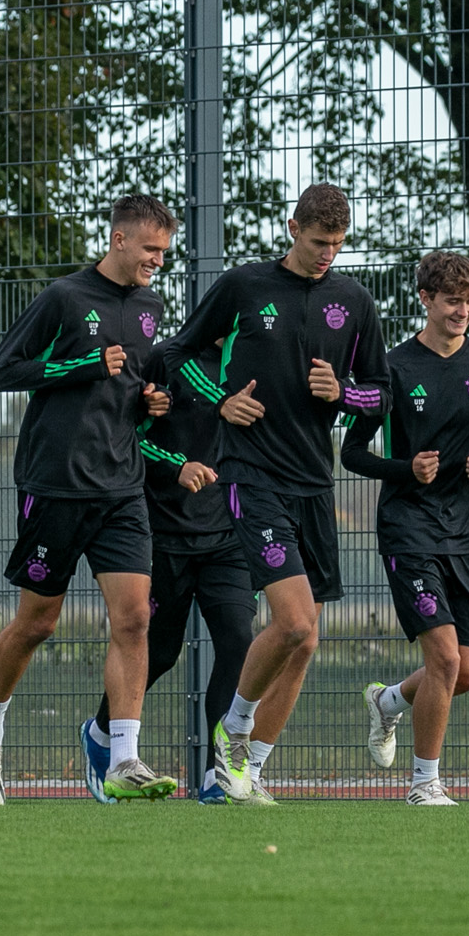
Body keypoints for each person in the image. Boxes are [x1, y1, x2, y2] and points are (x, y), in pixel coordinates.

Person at [157, 183, 390, 803]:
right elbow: (177, 352)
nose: (327, 257)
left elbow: (381, 394)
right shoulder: (243, 286)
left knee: (306, 637)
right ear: (293, 229)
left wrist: (343, 394)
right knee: (290, 620)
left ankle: (248, 770)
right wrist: (220, 400)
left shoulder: (354, 300)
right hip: (250, 475)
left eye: (338, 246)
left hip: (314, 483)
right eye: (319, 243)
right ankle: (233, 730)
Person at [0, 194, 179, 805]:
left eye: (164, 253)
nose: (157, 262)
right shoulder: (64, 298)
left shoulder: (150, 307)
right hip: (55, 484)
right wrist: (81, 364)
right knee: (38, 623)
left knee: (136, 617)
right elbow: (3, 371)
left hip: (122, 486)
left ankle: (123, 758)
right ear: (118, 240)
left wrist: (149, 400)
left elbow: (130, 381)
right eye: (149, 250)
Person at [342, 252, 469, 805]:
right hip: (407, 528)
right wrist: (405, 469)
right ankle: (425, 785)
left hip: (464, 532)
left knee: (468, 671)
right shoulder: (391, 369)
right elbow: (351, 453)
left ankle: (388, 702)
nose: (462, 310)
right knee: (442, 659)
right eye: (451, 300)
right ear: (426, 300)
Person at [78, 341, 256, 805]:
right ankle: (101, 733)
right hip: (163, 534)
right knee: (159, 651)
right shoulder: (165, 359)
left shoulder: (257, 363)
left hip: (230, 537)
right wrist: (177, 466)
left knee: (239, 641)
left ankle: (219, 776)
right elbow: (126, 437)